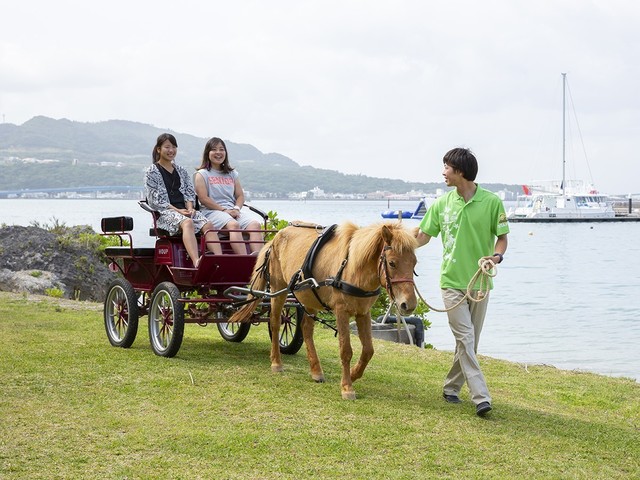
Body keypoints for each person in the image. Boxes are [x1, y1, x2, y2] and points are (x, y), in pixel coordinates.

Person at [415, 147, 509, 417]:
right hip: (451, 282)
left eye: (447, 167)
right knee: (466, 338)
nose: (443, 172)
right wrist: (399, 246)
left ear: (461, 172)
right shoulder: (442, 204)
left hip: (480, 282)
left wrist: (497, 256)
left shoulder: (492, 202)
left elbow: (502, 237)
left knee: (469, 342)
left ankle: (451, 387)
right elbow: (423, 236)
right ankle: (481, 397)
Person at [144, 133, 222, 267]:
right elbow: (155, 200)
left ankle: (219, 260)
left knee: (208, 225)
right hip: (164, 214)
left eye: (174, 147)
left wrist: (190, 208)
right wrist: (178, 211)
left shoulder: (181, 170)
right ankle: (196, 261)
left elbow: (189, 192)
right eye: (167, 147)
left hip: (185, 211)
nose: (171, 150)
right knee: (187, 223)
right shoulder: (152, 171)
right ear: (158, 149)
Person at [194, 137, 263, 254]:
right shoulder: (201, 174)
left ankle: (259, 264)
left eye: (221, 149)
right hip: (211, 212)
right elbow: (204, 199)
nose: (218, 153)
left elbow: (240, 195)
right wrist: (224, 210)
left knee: (255, 225)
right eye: (214, 149)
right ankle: (243, 260)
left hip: (232, 211)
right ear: (208, 153)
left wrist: (236, 209)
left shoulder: (232, 174)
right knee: (234, 225)